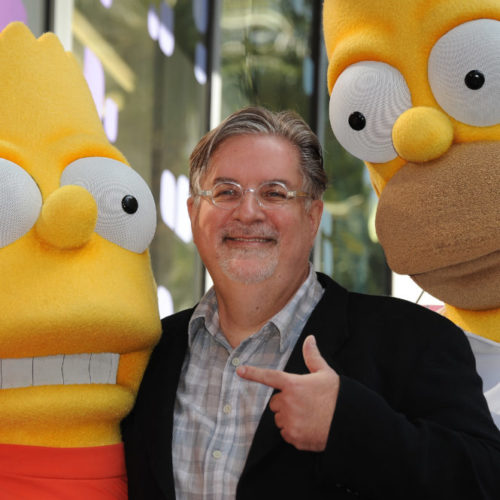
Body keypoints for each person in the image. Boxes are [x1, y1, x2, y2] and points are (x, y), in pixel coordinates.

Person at [121, 106, 500, 499]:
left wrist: (348, 426)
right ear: (194, 212)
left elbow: (486, 481)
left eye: (274, 193)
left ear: (313, 216)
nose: (248, 212)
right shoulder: (147, 354)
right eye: (226, 192)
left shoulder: (413, 339)